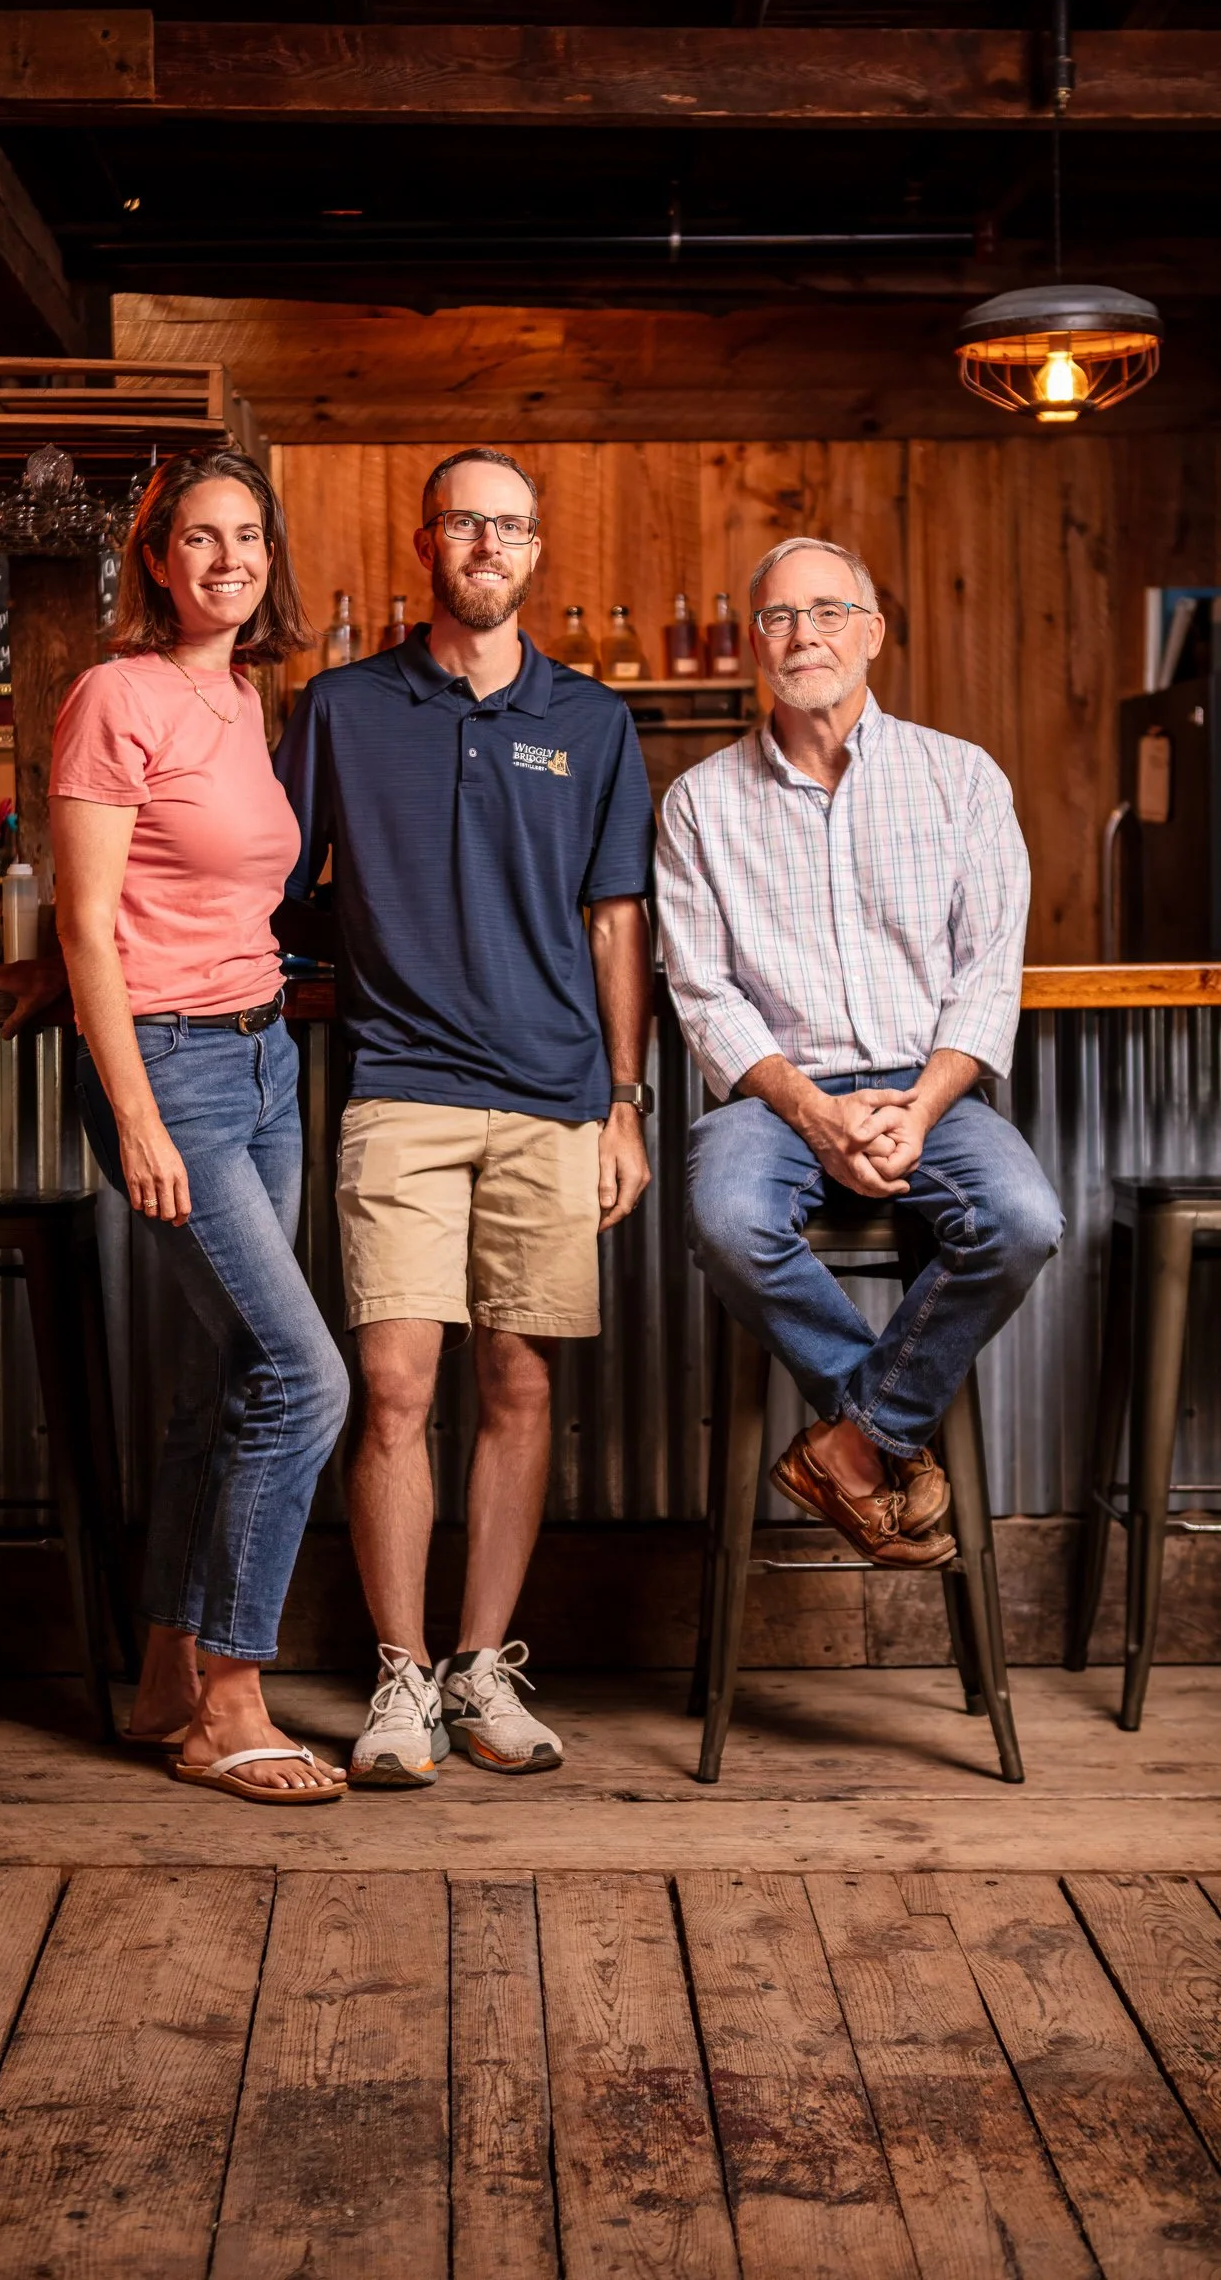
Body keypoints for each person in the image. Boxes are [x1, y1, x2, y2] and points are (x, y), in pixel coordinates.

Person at [274, 447, 656, 1787]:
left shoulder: (593, 723)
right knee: (390, 1389)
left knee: (518, 1383)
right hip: (398, 1093)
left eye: (512, 527)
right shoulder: (339, 708)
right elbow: (269, 892)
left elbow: (618, 924)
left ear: (533, 552)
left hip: (555, 1100)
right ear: (421, 542)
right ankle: (395, 1676)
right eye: (465, 524)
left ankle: (479, 1669)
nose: (488, 545)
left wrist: (621, 1103)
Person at [654, 534, 1063, 1568]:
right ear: (754, 642)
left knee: (1018, 1219)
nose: (804, 635)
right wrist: (813, 1113)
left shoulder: (960, 778)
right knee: (727, 1220)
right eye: (781, 617)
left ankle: (847, 1442)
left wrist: (916, 1109)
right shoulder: (699, 802)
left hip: (930, 1091)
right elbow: (702, 990)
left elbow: (986, 972)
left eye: (827, 611)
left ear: (870, 633)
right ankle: (877, 1436)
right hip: (774, 1102)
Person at [51, 448, 351, 1803]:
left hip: (262, 1057)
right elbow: (82, 923)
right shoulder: (114, 694)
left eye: (248, 538)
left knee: (229, 1380)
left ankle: (165, 1678)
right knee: (305, 1377)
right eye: (200, 538)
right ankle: (235, 1694)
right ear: (156, 560)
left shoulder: (241, 698)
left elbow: (220, 894)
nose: (227, 559)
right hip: (168, 1074)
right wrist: (135, 1118)